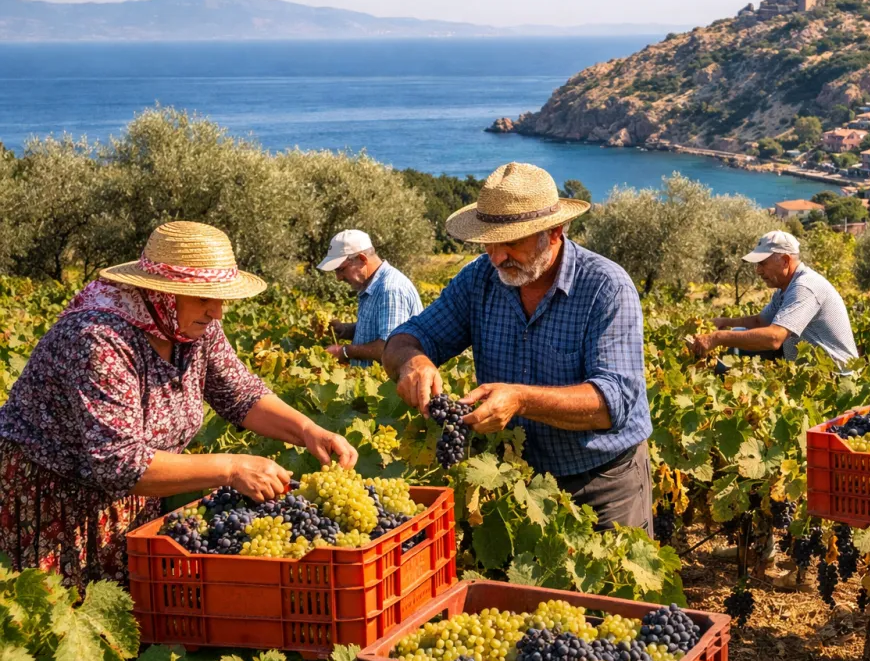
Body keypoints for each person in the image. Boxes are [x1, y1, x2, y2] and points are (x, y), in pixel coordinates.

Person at [0, 221, 358, 587]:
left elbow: (240, 393)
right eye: (204, 297)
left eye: (220, 298)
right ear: (163, 293)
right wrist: (231, 468)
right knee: (63, 625)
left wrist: (308, 430)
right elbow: (118, 463)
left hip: (136, 499)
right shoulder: (99, 339)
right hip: (57, 506)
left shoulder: (188, 326)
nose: (216, 312)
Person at [383, 162, 653, 535]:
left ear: (554, 231)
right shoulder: (479, 280)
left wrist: (521, 400)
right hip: (514, 481)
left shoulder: (606, 288)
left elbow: (614, 403)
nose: (497, 256)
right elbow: (405, 339)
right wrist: (413, 361)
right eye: (490, 243)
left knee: (610, 592)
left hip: (603, 484)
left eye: (512, 242)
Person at [688, 230, 858, 368]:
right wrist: (723, 322)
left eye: (762, 263)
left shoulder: (805, 287)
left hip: (834, 378)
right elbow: (759, 322)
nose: (758, 271)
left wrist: (717, 338)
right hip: (810, 375)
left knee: (732, 352)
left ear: (785, 261)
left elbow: (774, 338)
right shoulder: (785, 288)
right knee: (736, 340)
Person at [317, 229, 422, 366]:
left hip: (387, 386)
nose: (338, 278)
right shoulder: (371, 286)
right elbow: (378, 330)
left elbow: (390, 347)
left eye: (341, 269)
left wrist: (344, 351)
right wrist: (345, 330)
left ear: (362, 259)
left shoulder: (390, 289)